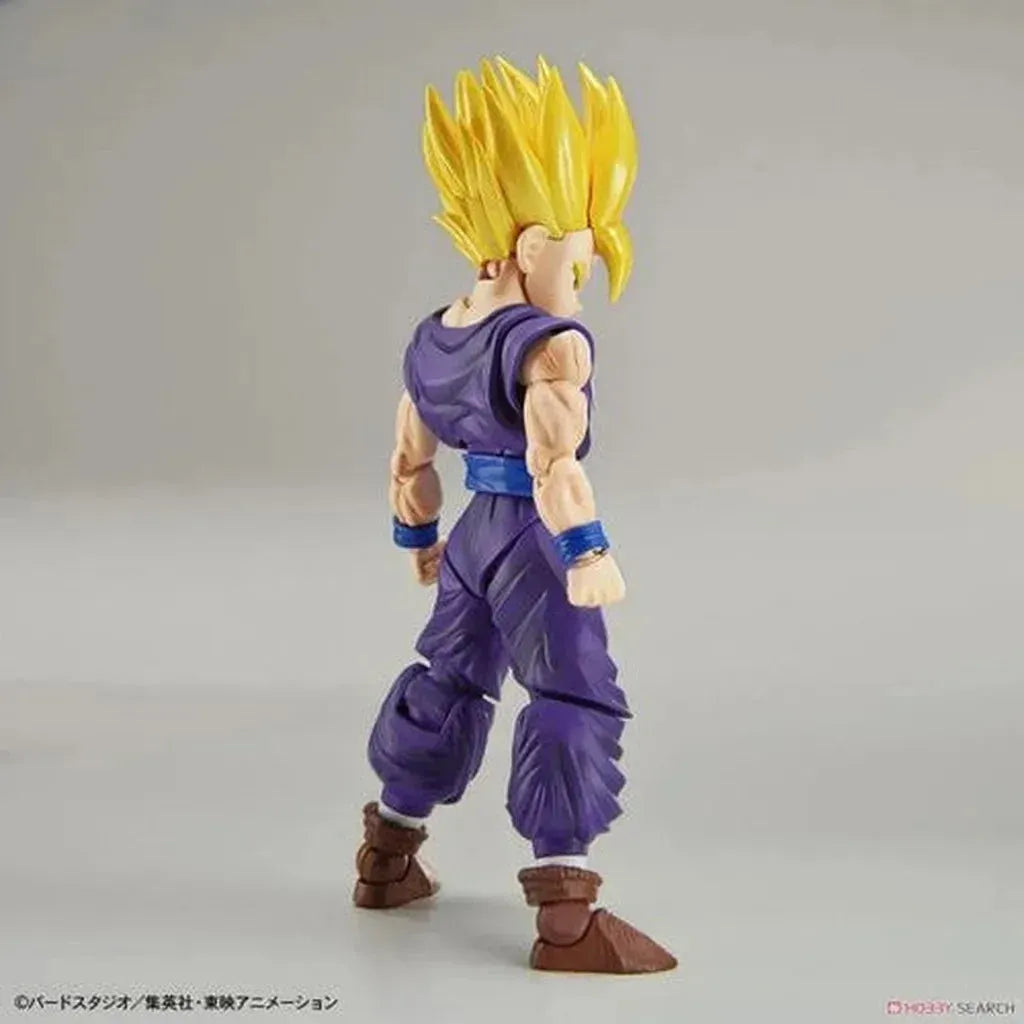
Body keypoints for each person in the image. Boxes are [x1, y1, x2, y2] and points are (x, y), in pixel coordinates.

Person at [352, 56, 676, 975]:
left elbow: (410, 454)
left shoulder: (437, 332)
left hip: (470, 539)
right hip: (532, 534)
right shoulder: (550, 343)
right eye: (579, 258)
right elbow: (552, 462)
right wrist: (587, 550)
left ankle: (386, 858)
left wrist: (420, 539)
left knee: (449, 679)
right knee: (572, 694)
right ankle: (568, 920)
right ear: (532, 245)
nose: (582, 279)